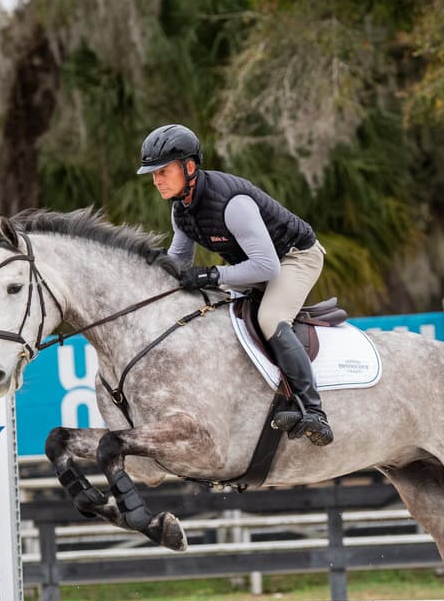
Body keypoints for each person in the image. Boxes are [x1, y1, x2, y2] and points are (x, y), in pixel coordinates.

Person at [137, 123, 333, 446]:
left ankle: (313, 410)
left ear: (189, 167)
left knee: (270, 318)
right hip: (259, 265)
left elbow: (268, 267)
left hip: (295, 258)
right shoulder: (181, 210)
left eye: (163, 171)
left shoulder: (232, 204)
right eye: (153, 174)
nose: (156, 180)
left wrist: (213, 275)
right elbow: (179, 262)